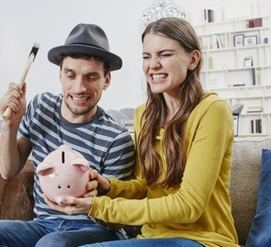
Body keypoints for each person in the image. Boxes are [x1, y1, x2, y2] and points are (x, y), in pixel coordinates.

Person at [47, 17, 240, 247]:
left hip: (203, 240)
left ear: (193, 59)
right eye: (147, 56)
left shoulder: (212, 111)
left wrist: (99, 206)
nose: (153, 65)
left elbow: (189, 206)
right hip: (151, 237)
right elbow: (145, 186)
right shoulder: (145, 114)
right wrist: (108, 186)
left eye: (165, 55)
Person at [0, 23, 135, 247]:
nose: (79, 87)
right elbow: (7, 170)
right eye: (70, 75)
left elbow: (116, 222)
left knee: (52, 244)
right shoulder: (41, 108)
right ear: (60, 75)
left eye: (91, 77)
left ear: (106, 80)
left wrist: (88, 202)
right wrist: (10, 124)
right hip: (44, 224)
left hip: (95, 229)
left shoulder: (116, 138)